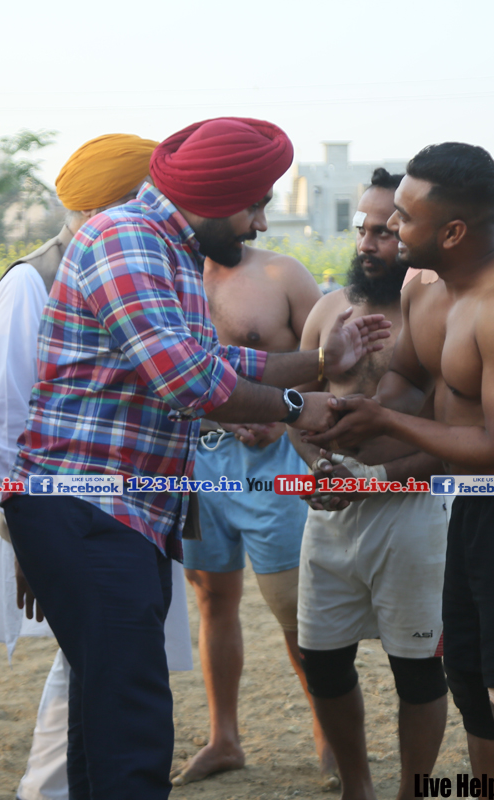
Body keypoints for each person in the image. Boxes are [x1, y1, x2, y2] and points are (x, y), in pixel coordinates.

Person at [2, 116, 391, 800]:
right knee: (132, 726)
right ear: (213, 198)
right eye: (255, 206)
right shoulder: (126, 239)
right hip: (92, 508)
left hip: (121, 511)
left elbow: (213, 358)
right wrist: (299, 406)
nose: (261, 224)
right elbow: (187, 381)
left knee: (105, 716)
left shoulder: (167, 247)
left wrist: (322, 361)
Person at [303, 142, 494, 782]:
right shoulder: (425, 289)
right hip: (465, 502)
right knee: (470, 687)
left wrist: (383, 421)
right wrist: (349, 415)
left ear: (454, 231)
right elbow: (406, 385)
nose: (392, 227)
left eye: (405, 217)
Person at [0, 133, 195, 800]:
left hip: (129, 511)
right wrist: (22, 535)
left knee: (99, 669)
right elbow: (6, 417)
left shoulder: (135, 266)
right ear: (122, 203)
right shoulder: (31, 282)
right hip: (66, 514)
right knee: (98, 670)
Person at [292, 167, 449, 800]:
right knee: (323, 661)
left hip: (412, 517)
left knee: (418, 670)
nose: (368, 242)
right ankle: (357, 788)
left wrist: (377, 479)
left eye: (385, 231)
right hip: (330, 516)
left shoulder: (436, 314)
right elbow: (296, 403)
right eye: (362, 228)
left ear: (413, 233)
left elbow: (455, 435)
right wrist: (319, 468)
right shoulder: (329, 310)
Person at [174, 237, 326, 784]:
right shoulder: (171, 274)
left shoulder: (285, 275)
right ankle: (224, 740)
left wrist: (281, 415)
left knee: (295, 609)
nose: (255, 221)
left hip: (273, 463)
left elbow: (324, 362)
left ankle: (328, 736)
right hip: (196, 458)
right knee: (212, 601)